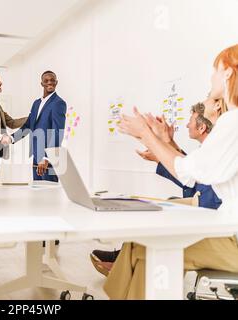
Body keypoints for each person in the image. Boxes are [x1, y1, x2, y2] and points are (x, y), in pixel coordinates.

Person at [101, 44, 238, 300]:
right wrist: (159, 140)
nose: (212, 78)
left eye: (215, 71)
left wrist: (146, 134)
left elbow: (189, 172)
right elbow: (193, 170)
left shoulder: (233, 123)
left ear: (228, 73)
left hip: (231, 238)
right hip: (226, 228)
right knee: (143, 246)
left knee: (148, 245)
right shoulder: (232, 124)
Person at [91, 102, 223, 277]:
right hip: (203, 206)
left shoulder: (220, 147)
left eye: (190, 121)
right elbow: (189, 173)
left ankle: (123, 263)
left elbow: (191, 179)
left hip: (211, 215)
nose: (186, 125)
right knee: (149, 207)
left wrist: (151, 139)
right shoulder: (209, 149)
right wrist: (166, 142)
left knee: (155, 215)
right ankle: (123, 258)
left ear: (202, 127)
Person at [11, 71, 67, 182]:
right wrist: (12, 138)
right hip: (36, 155)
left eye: (52, 80)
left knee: (49, 193)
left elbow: (57, 132)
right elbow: (28, 125)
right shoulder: (36, 103)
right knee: (37, 193)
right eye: (46, 80)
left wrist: (47, 157)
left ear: (56, 82)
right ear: (41, 83)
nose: (49, 82)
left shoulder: (58, 103)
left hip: (48, 159)